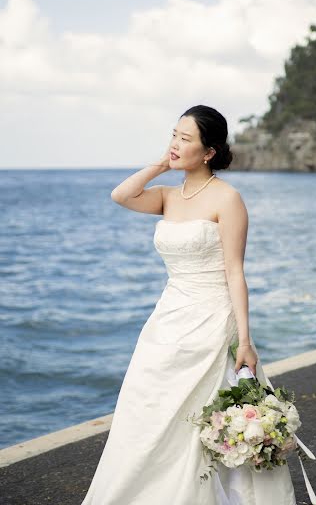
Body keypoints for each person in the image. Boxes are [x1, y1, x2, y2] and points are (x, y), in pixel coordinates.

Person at [81, 104, 297, 504]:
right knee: (148, 410)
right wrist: (161, 164)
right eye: (173, 136)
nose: (175, 144)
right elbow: (120, 195)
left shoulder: (228, 199)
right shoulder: (167, 195)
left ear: (209, 151)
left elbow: (235, 272)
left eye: (185, 139)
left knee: (206, 416)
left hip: (213, 320)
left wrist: (246, 340)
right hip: (168, 318)